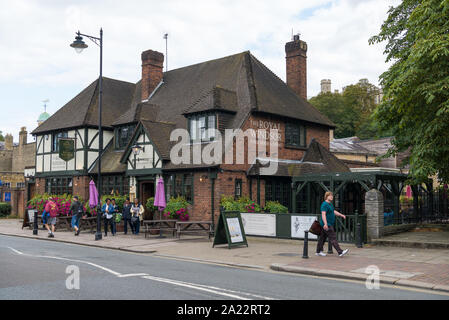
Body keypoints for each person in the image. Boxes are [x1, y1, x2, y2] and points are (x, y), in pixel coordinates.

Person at [316, 191, 349, 257]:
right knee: (333, 238)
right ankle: (340, 252)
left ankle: (318, 251)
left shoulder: (330, 204)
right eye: (330, 195)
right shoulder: (324, 204)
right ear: (326, 196)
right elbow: (323, 214)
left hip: (327, 224)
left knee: (322, 238)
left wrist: (341, 215)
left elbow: (333, 211)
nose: (331, 197)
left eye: (332, 195)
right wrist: (325, 224)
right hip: (327, 224)